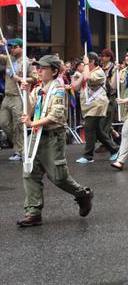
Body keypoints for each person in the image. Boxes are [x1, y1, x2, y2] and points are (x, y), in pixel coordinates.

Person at [18, 55, 93, 227]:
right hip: (36, 135)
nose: (39, 71)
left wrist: (32, 123)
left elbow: (56, 116)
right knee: (30, 172)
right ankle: (33, 212)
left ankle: (83, 194)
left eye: (43, 68)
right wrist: (26, 90)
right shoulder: (38, 89)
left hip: (53, 137)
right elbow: (28, 111)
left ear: (54, 71)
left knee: (58, 177)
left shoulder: (58, 89)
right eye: (39, 68)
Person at [73, 52, 119, 164]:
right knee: (98, 130)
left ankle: (88, 155)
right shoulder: (86, 72)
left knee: (89, 128)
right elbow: (75, 87)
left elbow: (88, 78)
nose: (84, 64)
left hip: (97, 104)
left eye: (87, 62)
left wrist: (85, 67)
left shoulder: (99, 72)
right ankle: (114, 149)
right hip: (88, 105)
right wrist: (79, 76)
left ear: (92, 61)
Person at [0, 38, 38, 161]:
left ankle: (19, 150)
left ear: (21, 47)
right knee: (3, 123)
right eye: (10, 47)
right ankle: (20, 144)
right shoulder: (8, 59)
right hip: (7, 96)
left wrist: (22, 79)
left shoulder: (26, 62)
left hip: (18, 97)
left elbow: (35, 78)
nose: (11, 49)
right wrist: (2, 44)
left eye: (14, 47)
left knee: (18, 124)